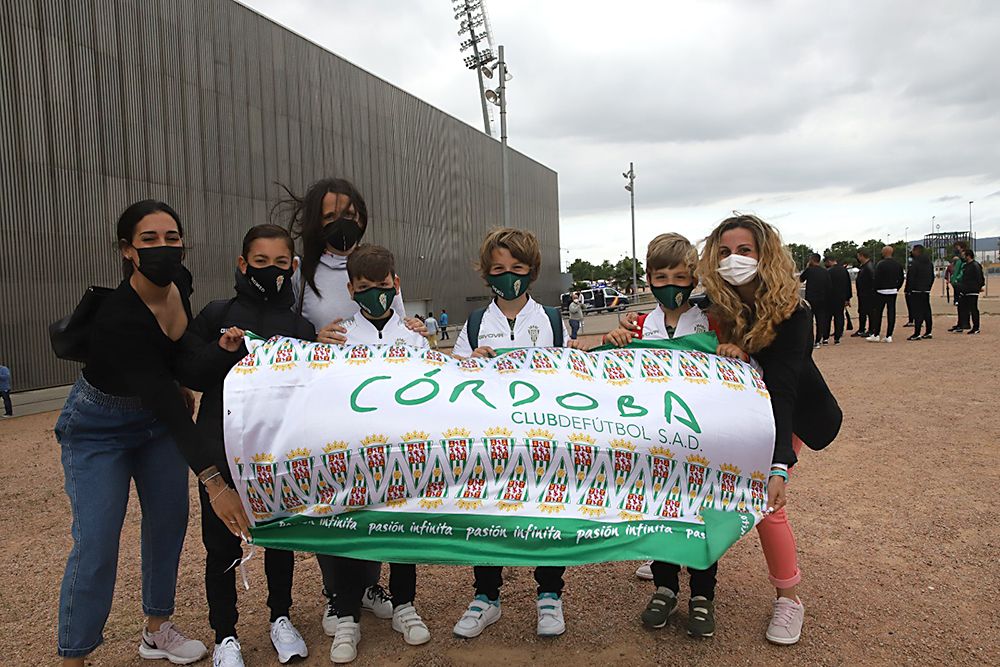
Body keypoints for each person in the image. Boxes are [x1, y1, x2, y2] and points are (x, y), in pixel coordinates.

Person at [54, 200, 209, 666]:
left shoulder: (178, 281)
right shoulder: (118, 315)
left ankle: (156, 629)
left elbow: (176, 351)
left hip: (154, 423)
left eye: (171, 237)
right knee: (97, 540)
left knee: (168, 523)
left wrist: (183, 379)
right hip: (98, 427)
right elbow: (167, 400)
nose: (163, 247)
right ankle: (74, 654)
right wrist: (213, 480)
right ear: (127, 249)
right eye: (149, 239)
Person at [279, 179, 425, 637]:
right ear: (315, 222)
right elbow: (289, 328)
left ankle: (369, 587)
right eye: (329, 215)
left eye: (349, 212)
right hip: (329, 402)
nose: (341, 222)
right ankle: (338, 595)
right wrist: (309, 338)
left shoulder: (378, 263)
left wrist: (415, 329)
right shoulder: (306, 272)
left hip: (383, 407)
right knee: (337, 500)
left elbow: (397, 322)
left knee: (385, 495)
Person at [698, 214, 842, 646]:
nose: (733, 260)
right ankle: (678, 557)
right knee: (702, 489)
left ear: (764, 255)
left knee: (766, 506)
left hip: (786, 412)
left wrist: (779, 464)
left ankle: (789, 598)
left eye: (744, 251)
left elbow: (783, 389)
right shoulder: (711, 305)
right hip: (733, 414)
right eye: (724, 252)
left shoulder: (792, 311)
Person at [179, 225, 315, 666]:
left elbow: (313, 390)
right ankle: (225, 636)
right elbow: (192, 374)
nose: (271, 271)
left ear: (292, 267)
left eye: (281, 263)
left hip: (278, 454)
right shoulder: (216, 313)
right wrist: (222, 349)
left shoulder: (300, 326)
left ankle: (280, 617)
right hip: (222, 450)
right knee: (221, 545)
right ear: (243, 264)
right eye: (261, 262)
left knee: (279, 539)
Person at [451, 227, 573, 639]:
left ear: (532, 271)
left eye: (517, 268)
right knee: (488, 513)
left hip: (542, 439)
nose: (508, 276)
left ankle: (550, 594)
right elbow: (452, 384)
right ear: (486, 274)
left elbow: (570, 379)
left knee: (546, 512)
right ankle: (486, 597)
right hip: (490, 442)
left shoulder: (553, 322)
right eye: (499, 269)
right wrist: (471, 363)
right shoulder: (472, 324)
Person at [603, 233, 718, 638]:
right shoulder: (638, 324)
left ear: (694, 278)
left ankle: (703, 595)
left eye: (680, 276)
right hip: (653, 439)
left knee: (701, 515)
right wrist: (615, 342)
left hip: (701, 438)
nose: (671, 284)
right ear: (649, 278)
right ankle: (665, 587)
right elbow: (614, 372)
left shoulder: (709, 321)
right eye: (662, 276)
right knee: (661, 512)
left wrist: (733, 351)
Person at [326, 244, 432, 663]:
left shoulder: (414, 336)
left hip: (405, 454)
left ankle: (404, 603)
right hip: (354, 457)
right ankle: (347, 612)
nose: (376, 294)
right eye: (366, 287)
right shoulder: (339, 336)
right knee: (353, 532)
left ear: (396, 284)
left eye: (383, 286)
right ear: (351, 289)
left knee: (403, 530)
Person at [866, 246, 904, 343]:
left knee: (878, 313)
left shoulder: (880, 264)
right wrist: (897, 287)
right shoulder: (897, 265)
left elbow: (876, 278)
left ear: (884, 253)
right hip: (893, 291)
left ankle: (876, 334)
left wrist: (875, 289)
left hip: (881, 291)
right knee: (891, 313)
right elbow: (901, 278)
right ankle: (889, 335)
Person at [799, 253, 832, 347]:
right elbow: (829, 286)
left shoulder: (809, 270)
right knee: (821, 320)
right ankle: (820, 339)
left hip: (811, 299)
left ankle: (810, 340)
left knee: (809, 321)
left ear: (812, 260)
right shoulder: (825, 271)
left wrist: (807, 267)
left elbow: (801, 279)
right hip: (823, 299)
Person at [904, 244, 935, 341]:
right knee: (927, 311)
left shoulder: (915, 263)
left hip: (916, 290)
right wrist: (928, 287)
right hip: (926, 290)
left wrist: (908, 289)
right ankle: (928, 331)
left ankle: (917, 333)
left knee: (917, 312)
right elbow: (932, 277)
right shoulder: (929, 263)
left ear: (917, 251)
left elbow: (911, 277)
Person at [824, 256, 852, 345]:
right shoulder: (844, 270)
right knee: (839, 317)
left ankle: (825, 337)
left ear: (829, 261)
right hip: (841, 298)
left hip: (829, 297)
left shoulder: (828, 271)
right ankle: (837, 337)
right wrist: (848, 298)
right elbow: (848, 285)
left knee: (827, 318)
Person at [958, 248, 984, 335]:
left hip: (972, 290)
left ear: (968, 256)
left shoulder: (975, 265)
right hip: (965, 290)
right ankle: (962, 325)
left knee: (973, 309)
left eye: (964, 255)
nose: (962, 257)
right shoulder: (966, 266)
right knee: (962, 307)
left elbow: (980, 278)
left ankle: (976, 327)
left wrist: (978, 287)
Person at [852, 249, 876, 337]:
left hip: (868, 294)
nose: (858, 258)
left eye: (858, 256)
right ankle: (861, 328)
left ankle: (871, 329)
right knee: (862, 311)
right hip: (863, 293)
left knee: (870, 312)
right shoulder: (864, 266)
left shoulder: (869, 267)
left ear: (862, 256)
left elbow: (873, 280)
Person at [948, 243, 969, 332]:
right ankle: (960, 323)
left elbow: (961, 272)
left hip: (961, 285)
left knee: (964, 306)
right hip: (957, 284)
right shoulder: (959, 260)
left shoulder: (964, 262)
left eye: (958, 248)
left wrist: (956, 279)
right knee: (960, 306)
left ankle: (964, 324)